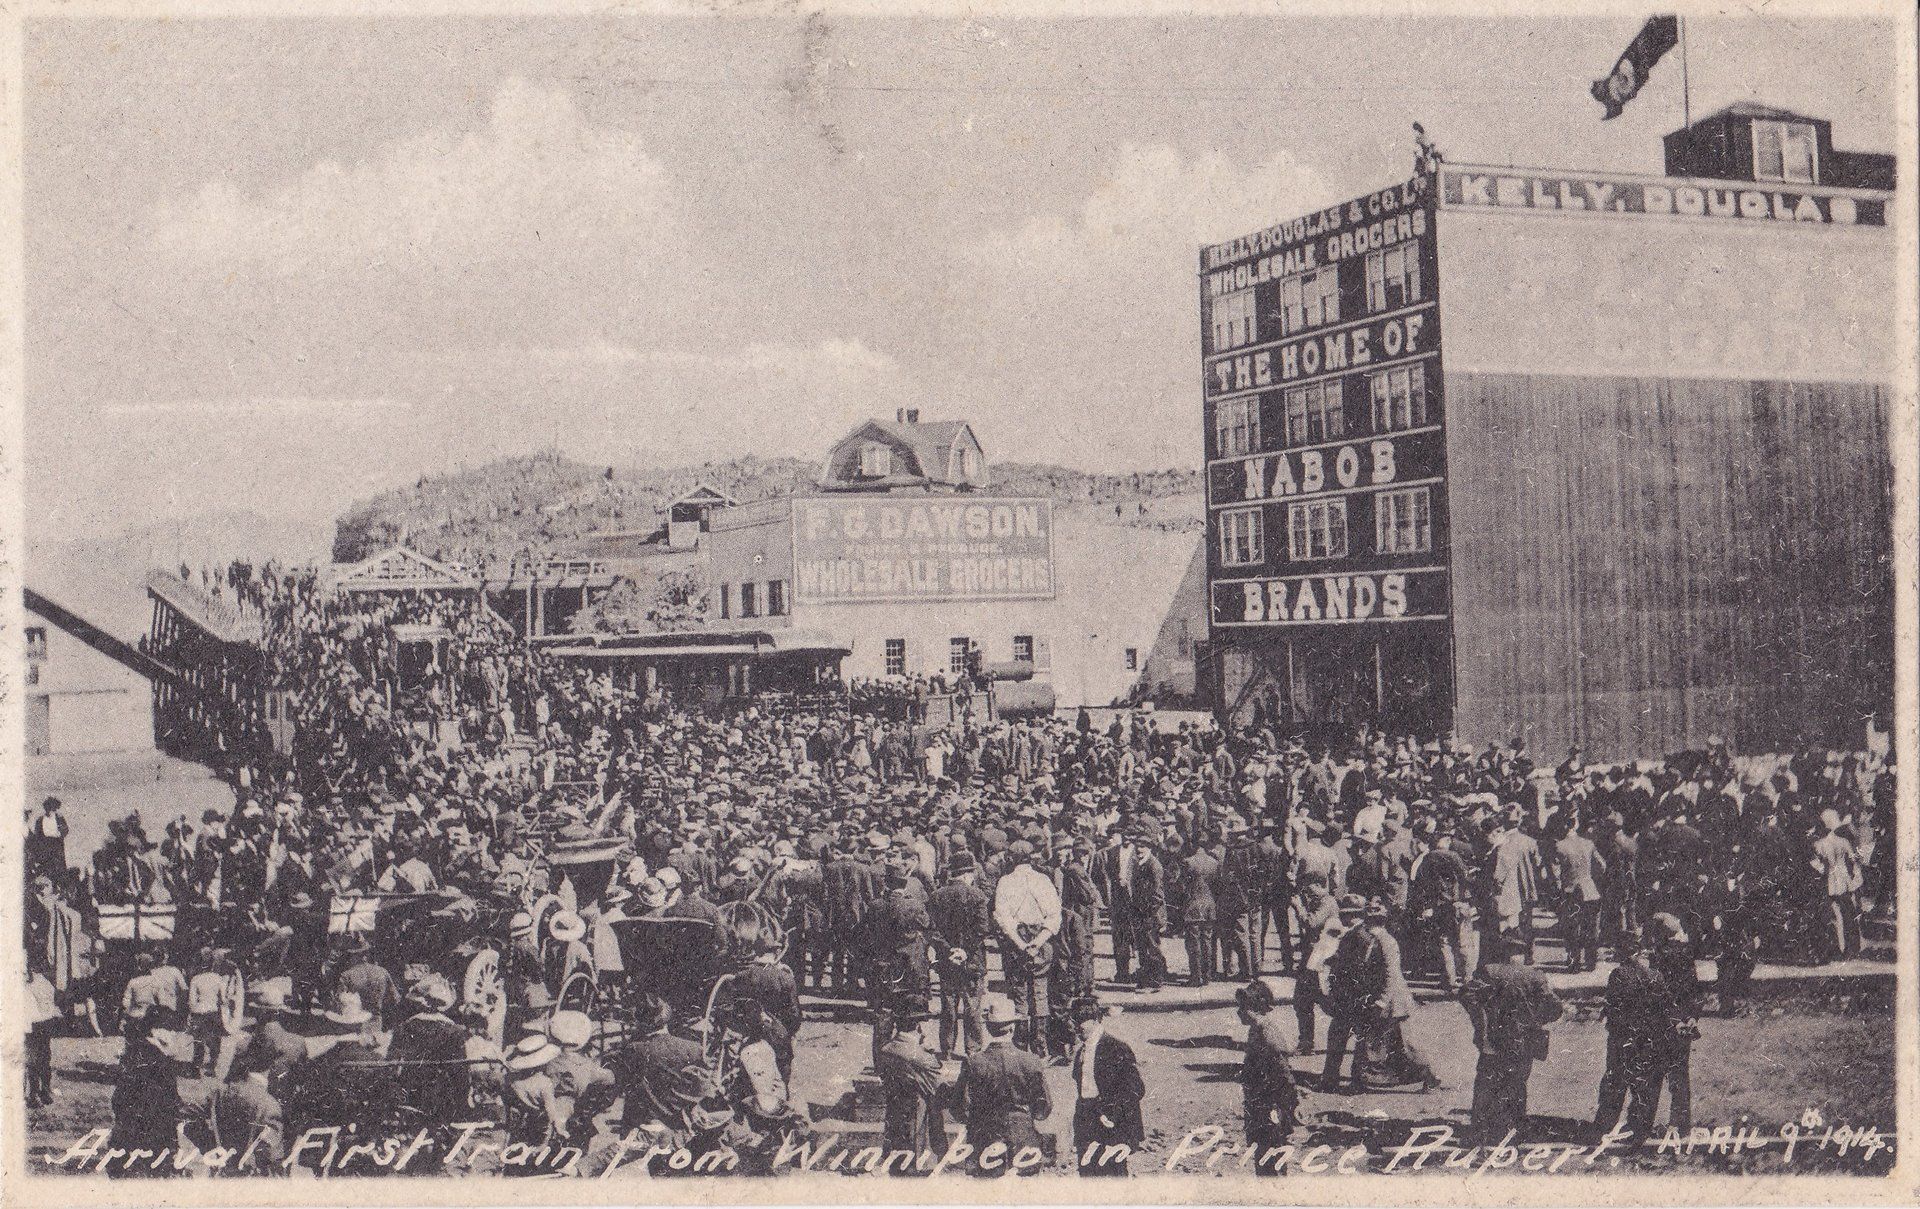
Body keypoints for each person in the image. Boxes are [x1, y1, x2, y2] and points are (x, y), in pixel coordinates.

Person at [1459, 930, 1563, 1144]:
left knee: (1487, 1084)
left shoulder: (1490, 971)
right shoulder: (1535, 976)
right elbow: (1555, 1008)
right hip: (1524, 1039)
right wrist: (1535, 1020)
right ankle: (1514, 1130)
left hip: (1494, 1038)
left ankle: (1482, 1131)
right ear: (1524, 951)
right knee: (1517, 1084)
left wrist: (1481, 1020)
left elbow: (1466, 995)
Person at [954, 995, 1053, 1176]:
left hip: (986, 1138)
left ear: (988, 1028)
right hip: (1022, 1137)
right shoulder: (1030, 1061)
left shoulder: (974, 1062)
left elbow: (960, 1107)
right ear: (1013, 1028)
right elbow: (1044, 1107)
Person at [1593, 928, 1668, 1143]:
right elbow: (1662, 1009)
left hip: (1623, 1038)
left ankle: (1604, 1127)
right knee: (1643, 1085)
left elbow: (1614, 1007)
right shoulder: (1655, 975)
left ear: (1622, 951)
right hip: (1648, 1038)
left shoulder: (1619, 975)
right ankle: (1639, 1129)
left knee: (1615, 1082)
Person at [993, 842, 1061, 1056]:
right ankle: (1041, 1047)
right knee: (1040, 993)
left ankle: (1020, 1046)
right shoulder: (1043, 880)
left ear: (1011, 859)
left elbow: (1003, 919)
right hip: (1042, 944)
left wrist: (1021, 945)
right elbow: (1054, 916)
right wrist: (1037, 943)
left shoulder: (1005, 882)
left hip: (1016, 945)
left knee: (1019, 994)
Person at [1068, 997, 1144, 1177]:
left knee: (1114, 1174)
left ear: (1096, 1020)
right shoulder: (1081, 1051)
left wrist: (1111, 1113)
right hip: (1087, 1120)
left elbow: (1136, 1089)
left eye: (1082, 1021)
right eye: (1075, 1021)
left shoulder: (1116, 1048)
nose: (1077, 1027)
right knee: (1087, 1174)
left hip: (1111, 1123)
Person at [927, 851, 990, 1059]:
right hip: (972, 961)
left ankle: (947, 1049)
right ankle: (973, 1049)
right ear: (967, 874)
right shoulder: (978, 896)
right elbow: (982, 929)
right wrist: (965, 951)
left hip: (947, 961)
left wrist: (948, 951)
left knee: (948, 1006)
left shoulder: (937, 896)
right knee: (972, 1006)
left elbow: (932, 931)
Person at [1645, 911, 1702, 1135]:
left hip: (1662, 1024)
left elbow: (1657, 997)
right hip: (1683, 1024)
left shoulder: (1657, 961)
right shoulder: (1686, 955)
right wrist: (1692, 1016)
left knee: (1653, 1076)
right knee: (1680, 1075)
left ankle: (1645, 1123)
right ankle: (1681, 1123)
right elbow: (1694, 991)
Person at [1236, 978, 1298, 1177]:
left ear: (1256, 1009)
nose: (1239, 1012)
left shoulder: (1267, 1035)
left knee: (1272, 1154)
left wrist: (1287, 1106)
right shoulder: (1257, 1030)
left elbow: (1285, 1075)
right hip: (1258, 1105)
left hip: (1269, 1106)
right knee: (1262, 1154)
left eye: (1243, 1008)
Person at [875, 1006, 947, 1169]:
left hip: (895, 1113)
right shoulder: (921, 1056)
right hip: (917, 1120)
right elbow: (939, 1086)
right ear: (917, 1026)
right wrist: (930, 1054)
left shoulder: (886, 1049)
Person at [206, 1049, 286, 1176]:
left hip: (220, 1177)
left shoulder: (219, 1093)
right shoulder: (269, 1104)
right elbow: (271, 1156)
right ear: (271, 1067)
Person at [1553, 815, 1607, 972]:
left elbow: (1555, 874)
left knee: (1572, 928)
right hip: (1590, 891)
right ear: (1575, 825)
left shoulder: (1559, 846)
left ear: (1564, 826)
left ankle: (1574, 963)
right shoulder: (1588, 844)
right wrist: (1590, 879)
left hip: (1571, 892)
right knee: (1591, 928)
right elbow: (1602, 865)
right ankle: (1591, 962)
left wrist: (1560, 888)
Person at [1810, 809, 1862, 962]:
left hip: (1829, 880)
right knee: (1849, 913)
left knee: (1834, 915)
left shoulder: (1819, 844)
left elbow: (1819, 866)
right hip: (1844, 879)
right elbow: (1854, 860)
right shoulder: (1843, 842)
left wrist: (1819, 868)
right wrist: (1855, 878)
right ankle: (1853, 948)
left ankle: (1838, 948)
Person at [25, 965, 58, 1108]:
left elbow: (49, 1002)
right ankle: (34, 1094)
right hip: (30, 1025)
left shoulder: (42, 982)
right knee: (34, 1060)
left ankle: (43, 1091)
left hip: (41, 1023)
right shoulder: (35, 983)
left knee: (43, 1058)